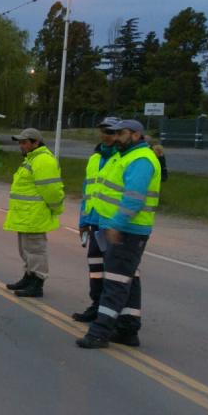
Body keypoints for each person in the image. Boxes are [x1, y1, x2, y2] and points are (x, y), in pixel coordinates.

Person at [77, 119, 161, 349]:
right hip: (113, 227)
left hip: (127, 231)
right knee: (128, 279)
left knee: (114, 283)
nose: (115, 138)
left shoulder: (141, 159)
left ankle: (99, 332)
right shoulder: (122, 156)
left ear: (135, 135)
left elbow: (133, 198)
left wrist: (116, 224)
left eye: (120, 133)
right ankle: (127, 329)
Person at [2, 127, 65, 298]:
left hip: (34, 215)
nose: (21, 146)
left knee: (36, 250)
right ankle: (28, 276)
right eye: (20, 142)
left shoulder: (43, 161)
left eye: (24, 142)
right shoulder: (32, 159)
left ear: (36, 143)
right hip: (26, 215)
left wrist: (56, 208)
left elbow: (51, 190)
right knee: (26, 250)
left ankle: (37, 283)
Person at [72, 117, 121, 322]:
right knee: (95, 268)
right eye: (103, 131)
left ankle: (113, 312)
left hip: (112, 224)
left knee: (115, 271)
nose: (105, 135)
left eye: (110, 131)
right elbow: (88, 191)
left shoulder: (122, 158)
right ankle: (96, 304)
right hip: (94, 223)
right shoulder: (95, 158)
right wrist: (83, 220)